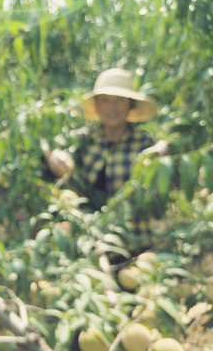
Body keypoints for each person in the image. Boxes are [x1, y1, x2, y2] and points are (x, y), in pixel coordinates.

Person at [45, 68, 167, 252]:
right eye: (106, 100)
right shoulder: (85, 140)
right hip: (91, 240)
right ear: (97, 105)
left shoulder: (144, 143)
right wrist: (52, 154)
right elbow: (46, 143)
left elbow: (171, 152)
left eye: (119, 100)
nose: (112, 107)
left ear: (130, 105)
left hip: (134, 242)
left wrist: (164, 150)